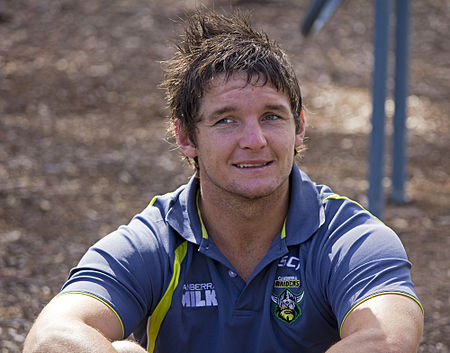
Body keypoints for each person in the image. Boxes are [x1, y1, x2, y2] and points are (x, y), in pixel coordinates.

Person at [23, 9, 424, 353]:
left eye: (272, 116)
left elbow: (388, 339)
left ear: (299, 127)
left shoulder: (347, 236)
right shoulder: (157, 239)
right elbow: (52, 338)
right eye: (226, 120)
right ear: (185, 137)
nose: (255, 141)